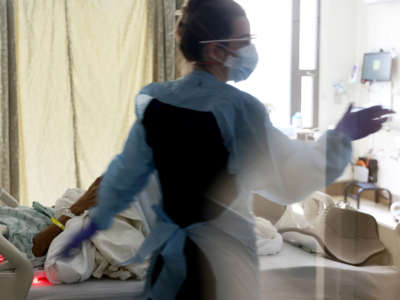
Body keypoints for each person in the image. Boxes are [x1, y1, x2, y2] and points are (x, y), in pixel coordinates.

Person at [60, 0, 394, 299]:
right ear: (215, 51)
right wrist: (342, 136)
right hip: (218, 269)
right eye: (244, 41)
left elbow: (123, 176)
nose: (250, 50)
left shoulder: (154, 100)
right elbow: (291, 178)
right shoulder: (238, 110)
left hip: (167, 265)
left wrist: (85, 228)